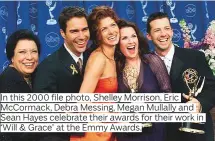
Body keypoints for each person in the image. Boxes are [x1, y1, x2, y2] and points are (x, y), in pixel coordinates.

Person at [146, 12, 215, 141]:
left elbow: (212, 88)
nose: (163, 34)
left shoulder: (195, 57)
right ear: (149, 36)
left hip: (195, 134)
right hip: (162, 135)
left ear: (172, 31)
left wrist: (200, 104)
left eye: (167, 29)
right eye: (157, 30)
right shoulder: (144, 64)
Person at [32, 6, 90, 141]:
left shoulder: (93, 57)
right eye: (74, 31)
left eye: (84, 29)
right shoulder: (48, 66)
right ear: (63, 33)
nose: (82, 36)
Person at [114, 19, 171, 141]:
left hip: (154, 133)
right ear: (118, 44)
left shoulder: (153, 61)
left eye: (133, 36)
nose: (131, 41)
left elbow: (168, 95)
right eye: (124, 38)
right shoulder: (115, 68)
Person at [70, 6, 120, 141]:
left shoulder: (114, 57)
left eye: (113, 25)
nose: (111, 31)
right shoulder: (99, 59)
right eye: (104, 29)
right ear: (98, 35)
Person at [0, 29, 40, 141]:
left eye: (34, 51)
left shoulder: (36, 76)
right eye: (22, 52)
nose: (29, 57)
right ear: (12, 57)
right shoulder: (8, 81)